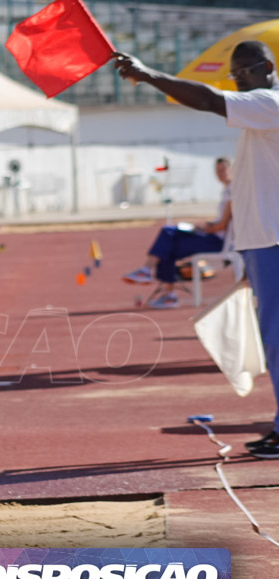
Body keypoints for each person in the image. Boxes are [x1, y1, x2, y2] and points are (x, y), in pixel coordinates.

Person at [115, 41, 279, 459]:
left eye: (242, 73)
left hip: (273, 241)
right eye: (235, 76)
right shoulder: (260, 114)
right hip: (262, 242)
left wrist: (149, 75)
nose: (237, 82)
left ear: (267, 68)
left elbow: (208, 99)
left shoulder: (269, 103)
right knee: (273, 339)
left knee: (277, 340)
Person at [121, 157, 232, 308]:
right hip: (213, 236)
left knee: (168, 235)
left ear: (231, 170)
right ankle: (166, 292)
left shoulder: (232, 190)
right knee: (168, 240)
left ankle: (150, 273)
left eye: (223, 169)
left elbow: (223, 224)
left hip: (217, 242)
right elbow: (221, 221)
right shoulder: (227, 190)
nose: (221, 173)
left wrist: (207, 228)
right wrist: (203, 226)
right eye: (218, 170)